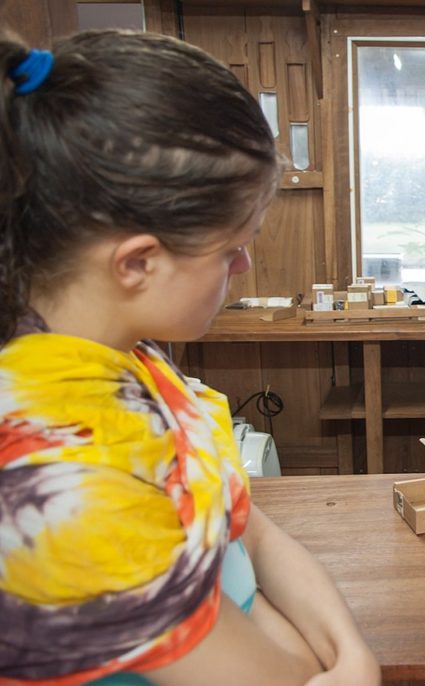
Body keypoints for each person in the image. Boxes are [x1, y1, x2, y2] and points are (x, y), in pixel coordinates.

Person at [0, 29, 379, 686]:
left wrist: (351, 652)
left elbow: (246, 531)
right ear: (138, 262)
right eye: (231, 248)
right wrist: (339, 665)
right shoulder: (57, 476)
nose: (246, 265)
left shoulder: (131, 358)